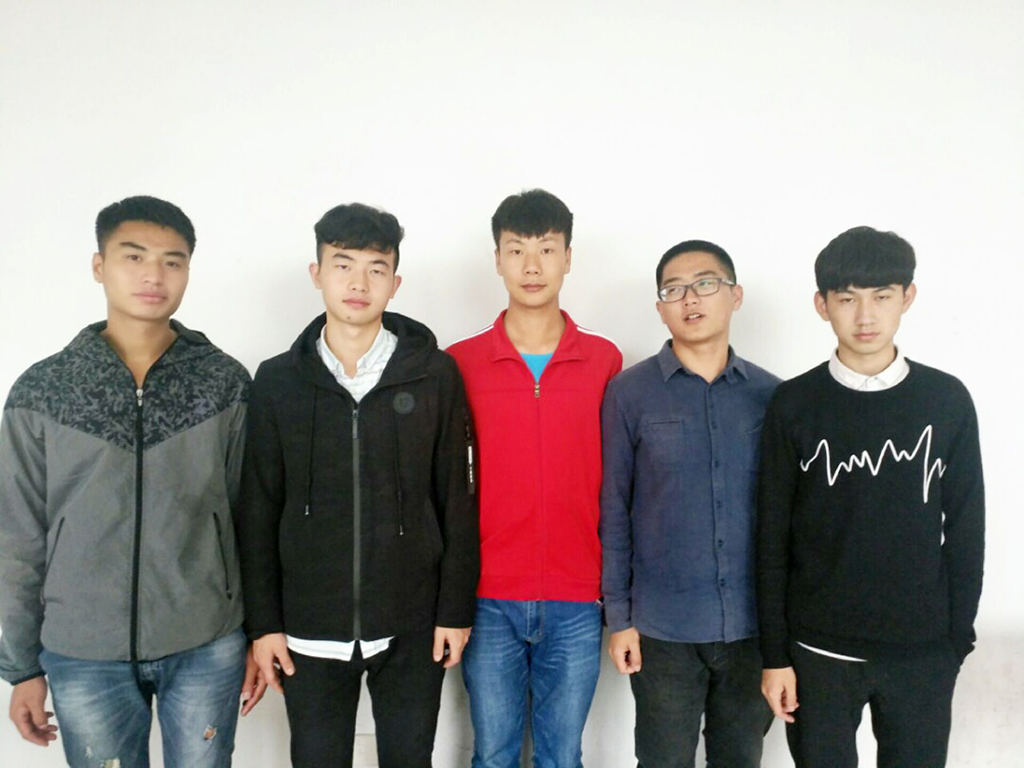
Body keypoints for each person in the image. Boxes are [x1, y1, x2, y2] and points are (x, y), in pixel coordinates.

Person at [0, 195, 263, 768]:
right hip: (82, 648)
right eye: (134, 256)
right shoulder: (43, 390)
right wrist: (20, 667)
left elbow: (251, 517)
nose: (153, 275)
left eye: (173, 261)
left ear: (188, 271)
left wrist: (257, 633)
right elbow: (17, 536)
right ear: (99, 266)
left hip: (206, 639)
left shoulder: (223, 382)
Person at [240, 202, 479, 768]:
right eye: (342, 265)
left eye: (376, 268)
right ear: (317, 273)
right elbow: (257, 509)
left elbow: (458, 498)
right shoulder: (277, 381)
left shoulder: (434, 375)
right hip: (308, 629)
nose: (358, 283)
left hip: (412, 624)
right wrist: (264, 625)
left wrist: (454, 609)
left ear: (395, 283)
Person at [757, 226, 985, 767]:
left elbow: (967, 526)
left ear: (907, 297)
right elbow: (771, 534)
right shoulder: (793, 403)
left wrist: (956, 639)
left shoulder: (946, 400)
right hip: (817, 651)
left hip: (922, 652)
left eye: (882, 296)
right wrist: (775, 655)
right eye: (847, 299)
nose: (865, 316)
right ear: (822, 305)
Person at [447, 189, 622, 768]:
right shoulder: (461, 362)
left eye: (546, 249)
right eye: (516, 249)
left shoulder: (604, 360)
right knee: (492, 754)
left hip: (577, 595)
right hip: (488, 596)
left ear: (568, 257)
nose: (531, 265)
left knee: (561, 756)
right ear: (496, 259)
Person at [601, 240, 778, 767]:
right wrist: (619, 618)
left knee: (740, 760)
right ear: (660, 309)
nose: (690, 298)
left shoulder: (772, 396)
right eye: (673, 290)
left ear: (735, 296)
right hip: (662, 630)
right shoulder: (628, 393)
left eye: (705, 284)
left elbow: (788, 518)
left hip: (752, 628)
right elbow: (614, 508)